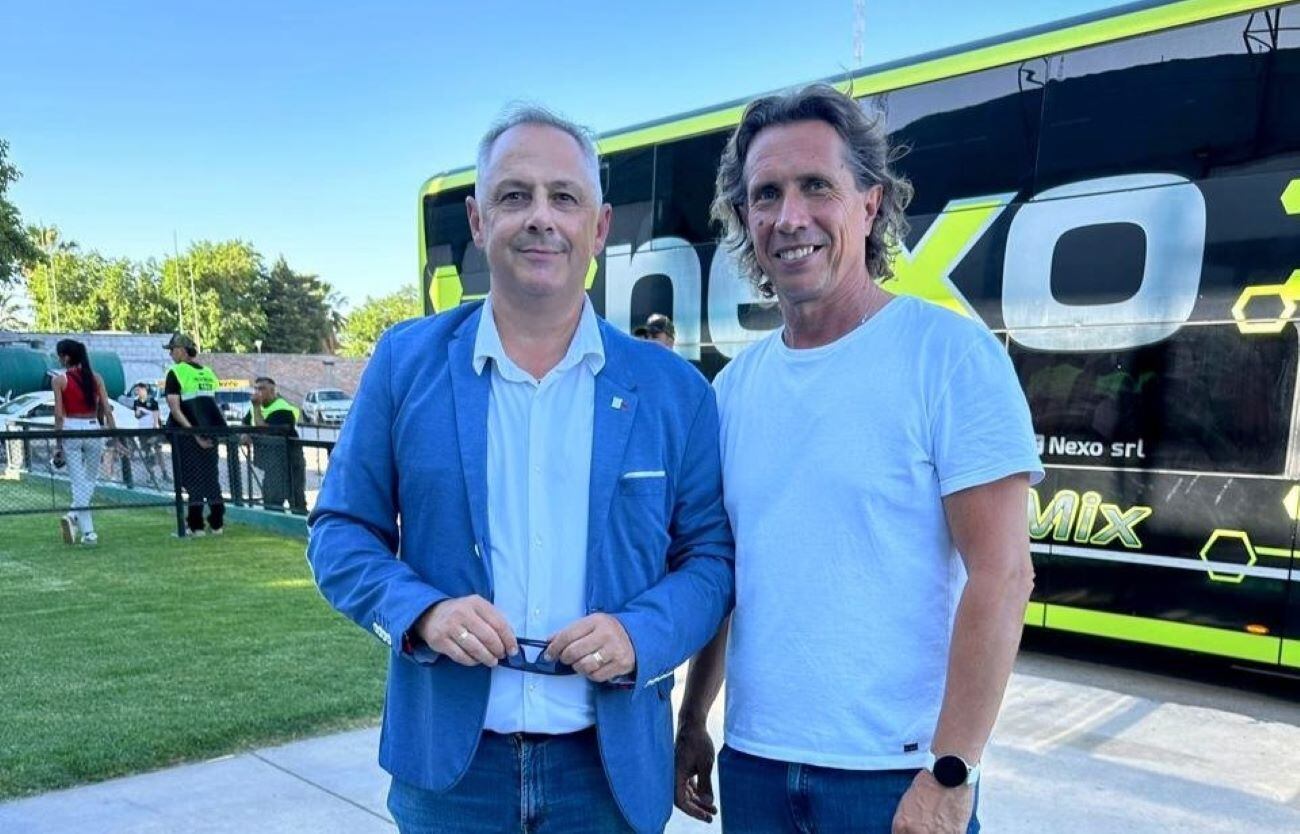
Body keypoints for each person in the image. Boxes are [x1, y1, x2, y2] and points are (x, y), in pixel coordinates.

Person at [307, 105, 734, 834]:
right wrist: (423, 612)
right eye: (515, 196)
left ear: (598, 228)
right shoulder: (404, 365)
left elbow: (711, 560)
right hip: (450, 771)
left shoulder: (674, 393)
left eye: (564, 198)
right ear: (479, 221)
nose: (541, 218)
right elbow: (339, 533)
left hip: (607, 775)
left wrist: (641, 635)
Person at [674, 85, 1043, 834]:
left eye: (818, 186)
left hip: (895, 777)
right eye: (766, 194)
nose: (790, 216)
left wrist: (952, 771)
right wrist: (692, 720)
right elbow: (723, 571)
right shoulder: (735, 389)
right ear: (745, 219)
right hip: (755, 769)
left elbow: (1003, 575)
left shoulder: (948, 355)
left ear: (869, 205)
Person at [51, 338, 119, 545]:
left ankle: (84, 526)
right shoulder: (96, 378)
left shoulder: (59, 380)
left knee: (79, 482)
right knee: (90, 478)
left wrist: (58, 443)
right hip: (92, 428)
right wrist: (114, 435)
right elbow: (106, 409)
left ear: (66, 357)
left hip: (71, 428)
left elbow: (59, 414)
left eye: (60, 356)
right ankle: (79, 522)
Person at [162, 333, 227, 535]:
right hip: (210, 433)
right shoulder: (208, 373)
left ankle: (195, 525)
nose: (171, 354)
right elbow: (212, 406)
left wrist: (193, 434)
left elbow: (175, 408)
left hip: (187, 436)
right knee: (210, 478)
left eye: (172, 350)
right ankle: (217, 523)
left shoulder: (175, 372)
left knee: (192, 481)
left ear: (181, 350)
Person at [242, 376, 306, 513]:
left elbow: (264, 429)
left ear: (272, 391)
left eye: (262, 388)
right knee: (271, 498)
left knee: (295, 495)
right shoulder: (255, 408)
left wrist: (256, 407)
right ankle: (274, 526)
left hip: (290, 458)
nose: (258, 392)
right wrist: (245, 434)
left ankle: (300, 527)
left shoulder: (283, 408)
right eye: (256, 388)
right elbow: (246, 422)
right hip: (271, 462)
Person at [131, 382, 167, 485]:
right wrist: (139, 413)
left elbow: (157, 417)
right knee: (147, 453)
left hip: (152, 430)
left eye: (139, 389)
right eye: (137, 390)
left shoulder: (153, 402)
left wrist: (157, 429)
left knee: (158, 451)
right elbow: (137, 415)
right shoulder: (136, 402)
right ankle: (152, 476)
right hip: (142, 430)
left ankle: (164, 473)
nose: (138, 392)